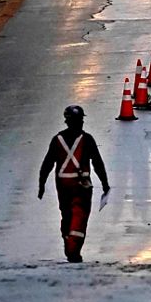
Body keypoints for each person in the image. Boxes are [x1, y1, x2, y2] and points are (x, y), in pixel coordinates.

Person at [38, 105, 110, 262]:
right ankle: (73, 249)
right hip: (81, 186)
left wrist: (41, 184)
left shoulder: (57, 140)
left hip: (62, 185)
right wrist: (105, 183)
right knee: (80, 215)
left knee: (66, 215)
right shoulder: (87, 139)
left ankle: (67, 240)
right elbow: (97, 163)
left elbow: (47, 164)